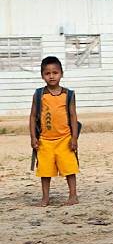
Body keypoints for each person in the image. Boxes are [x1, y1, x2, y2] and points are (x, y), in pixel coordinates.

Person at [29, 56, 79, 206]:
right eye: (47, 73)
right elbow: (32, 116)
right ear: (42, 75)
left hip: (65, 139)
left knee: (69, 169)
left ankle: (73, 195)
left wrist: (74, 138)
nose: (51, 76)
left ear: (61, 74)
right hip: (45, 140)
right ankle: (45, 198)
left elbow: (73, 116)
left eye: (55, 72)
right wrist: (33, 137)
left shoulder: (68, 94)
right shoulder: (39, 95)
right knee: (45, 171)